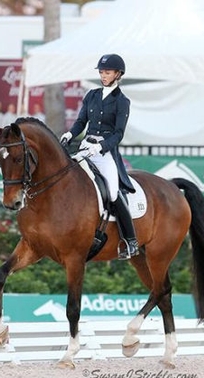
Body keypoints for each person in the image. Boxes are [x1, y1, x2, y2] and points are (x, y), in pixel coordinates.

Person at [60, 53, 138, 260]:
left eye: (108, 72)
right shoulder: (91, 95)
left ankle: (131, 241)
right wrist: (69, 134)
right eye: (102, 72)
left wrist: (101, 147)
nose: (104, 76)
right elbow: (81, 122)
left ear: (118, 74)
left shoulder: (122, 101)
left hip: (104, 153)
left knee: (112, 193)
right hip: (86, 147)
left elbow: (118, 134)